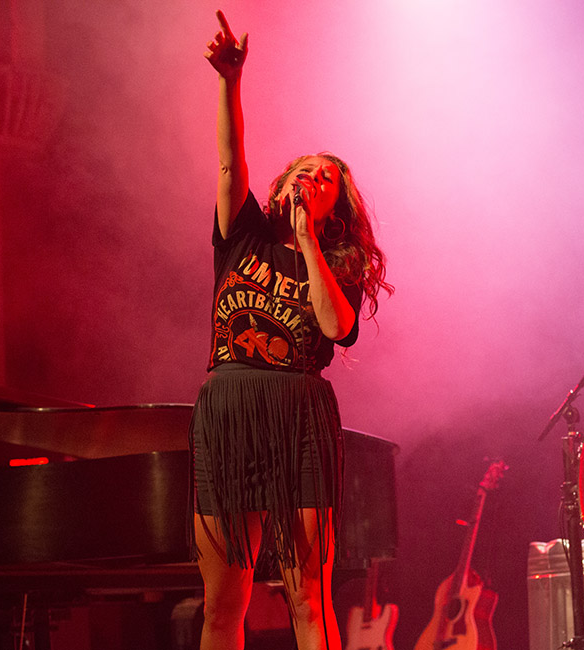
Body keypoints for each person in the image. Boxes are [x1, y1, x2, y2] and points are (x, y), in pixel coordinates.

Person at [190, 11, 391, 650]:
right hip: (227, 409)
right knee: (223, 607)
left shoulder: (338, 260)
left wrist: (307, 241)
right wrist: (230, 82)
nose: (311, 176)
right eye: (301, 168)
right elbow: (229, 163)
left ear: (337, 204)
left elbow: (338, 328)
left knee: (308, 596)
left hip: (296, 412)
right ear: (280, 184)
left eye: (325, 176)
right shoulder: (244, 231)